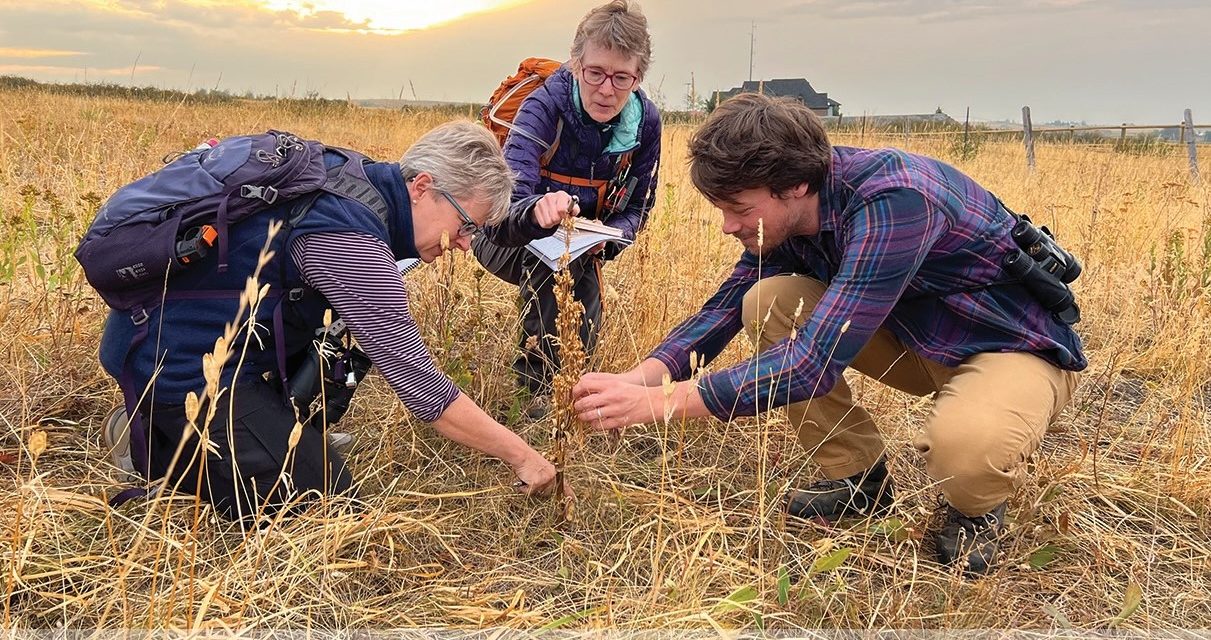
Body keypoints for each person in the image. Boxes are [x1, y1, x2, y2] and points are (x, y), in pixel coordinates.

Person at [572, 93, 1086, 574]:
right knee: (764, 300)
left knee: (966, 449)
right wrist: (642, 378)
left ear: (794, 185)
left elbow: (808, 365)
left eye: (739, 209)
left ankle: (977, 509)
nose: (728, 226)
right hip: (914, 341)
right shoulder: (796, 208)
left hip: (1009, 348)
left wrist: (664, 403)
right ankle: (857, 479)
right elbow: (725, 309)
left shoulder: (897, 200)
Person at [97, 121, 562, 521]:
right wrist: (523, 457)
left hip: (175, 344)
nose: (464, 244)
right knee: (327, 508)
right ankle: (158, 443)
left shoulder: (359, 179)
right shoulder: (353, 242)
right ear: (423, 187)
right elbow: (423, 388)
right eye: (465, 226)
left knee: (346, 341)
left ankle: (211, 431)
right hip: (177, 370)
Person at [472, 0, 661, 417]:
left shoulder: (646, 122)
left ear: (638, 76)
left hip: (584, 244)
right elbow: (507, 201)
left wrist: (608, 241)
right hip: (502, 235)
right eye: (595, 73)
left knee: (581, 271)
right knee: (552, 260)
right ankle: (536, 391)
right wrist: (539, 211)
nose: (607, 89)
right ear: (576, 64)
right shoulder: (542, 107)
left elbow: (639, 207)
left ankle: (574, 386)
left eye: (621, 77)